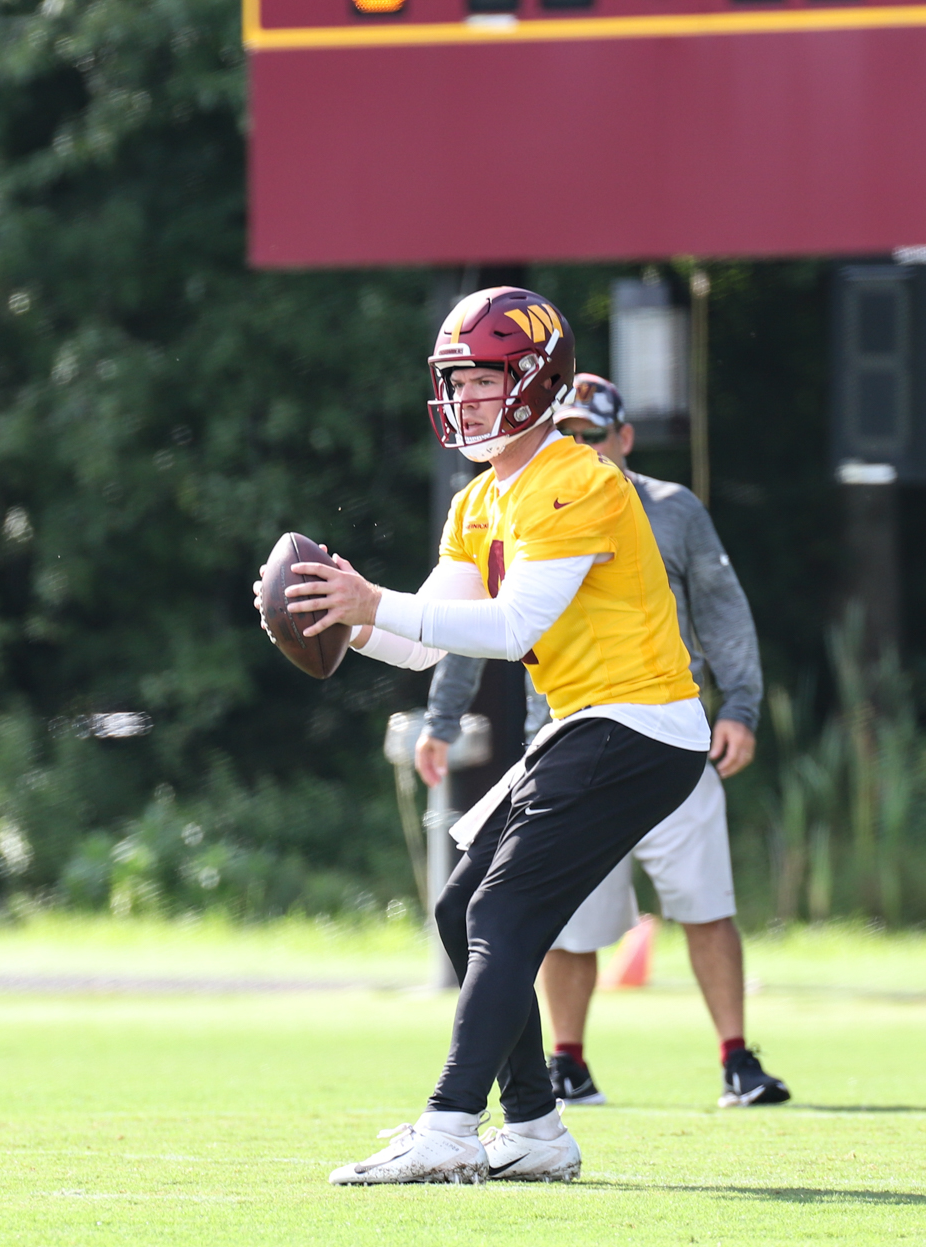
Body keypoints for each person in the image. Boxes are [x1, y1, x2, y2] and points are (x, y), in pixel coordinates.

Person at [255, 289, 711, 1185]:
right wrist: (346, 621)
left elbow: (509, 629)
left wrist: (372, 600)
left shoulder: (578, 478)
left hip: (640, 721)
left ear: (537, 381)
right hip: (593, 724)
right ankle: (537, 1129)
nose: (464, 399)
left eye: (483, 379)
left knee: (503, 912)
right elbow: (432, 640)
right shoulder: (479, 500)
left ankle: (451, 1124)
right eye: (456, 382)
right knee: (462, 911)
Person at [415, 373, 790, 1111]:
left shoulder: (660, 507)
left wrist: (740, 705)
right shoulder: (504, 499)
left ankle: (734, 1058)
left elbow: (721, 609)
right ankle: (560, 1073)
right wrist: (439, 714)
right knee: (543, 922)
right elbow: (462, 622)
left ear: (623, 439)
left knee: (703, 903)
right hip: (561, 736)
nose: (578, 445)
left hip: (649, 729)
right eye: (570, 430)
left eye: (593, 434)